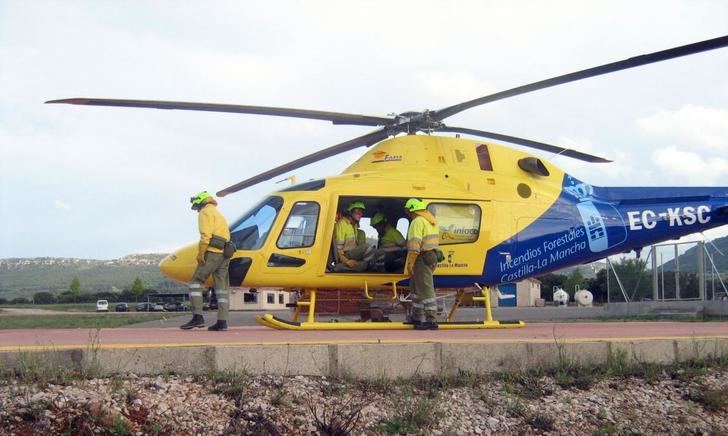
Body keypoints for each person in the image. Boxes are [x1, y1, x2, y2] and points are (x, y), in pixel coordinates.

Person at [180, 191, 232, 331]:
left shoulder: (205, 212)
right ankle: (222, 322)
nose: (197, 210)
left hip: (213, 252)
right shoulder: (218, 213)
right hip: (225, 253)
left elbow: (205, 236)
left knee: (195, 282)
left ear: (201, 202)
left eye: (197, 206)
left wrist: (201, 254)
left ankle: (198, 317)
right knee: (221, 288)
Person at [404, 198, 440, 330]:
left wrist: (411, 262)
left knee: (425, 288)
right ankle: (417, 317)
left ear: (411, 210)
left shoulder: (417, 221)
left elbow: (415, 244)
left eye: (407, 211)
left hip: (421, 257)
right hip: (431, 256)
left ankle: (431, 320)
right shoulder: (430, 220)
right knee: (416, 288)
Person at [333, 201, 373, 272]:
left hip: (352, 254)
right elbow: (338, 249)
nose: (361, 214)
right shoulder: (341, 224)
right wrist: (346, 261)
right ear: (350, 212)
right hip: (345, 255)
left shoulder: (354, 226)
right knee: (366, 247)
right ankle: (340, 266)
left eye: (362, 212)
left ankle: (341, 267)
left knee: (365, 264)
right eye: (358, 212)